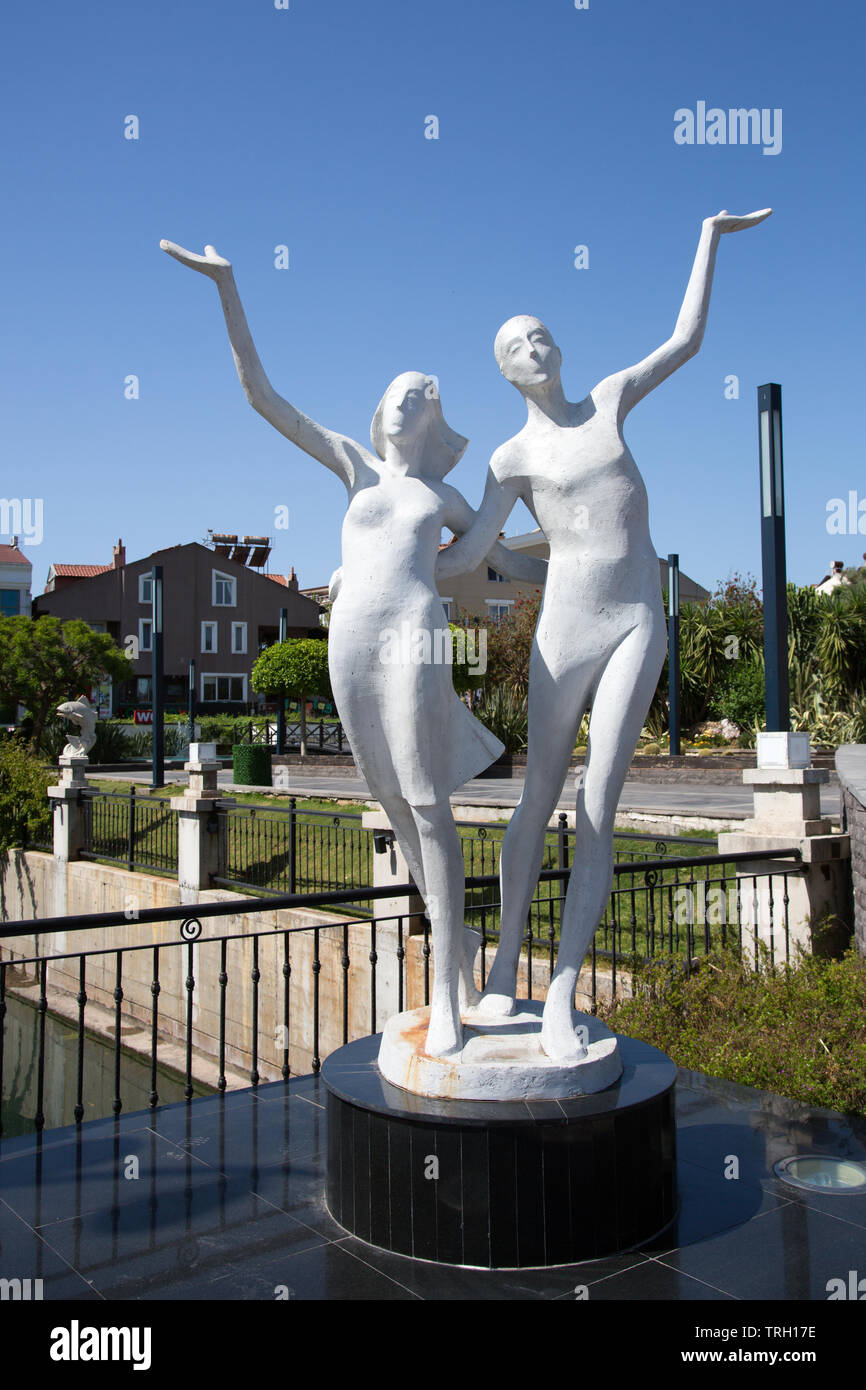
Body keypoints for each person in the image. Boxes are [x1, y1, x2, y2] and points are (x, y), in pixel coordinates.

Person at [160, 239, 547, 1058]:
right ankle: (459, 938)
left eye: (419, 394)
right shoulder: (354, 466)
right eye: (397, 393)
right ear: (380, 413)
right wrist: (229, 287)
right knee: (390, 800)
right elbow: (262, 396)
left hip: (413, 633)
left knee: (427, 797)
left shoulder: (438, 494)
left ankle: (446, 988)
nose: (405, 401)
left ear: (432, 415)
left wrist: (585, 557)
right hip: (349, 639)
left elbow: (490, 557)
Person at [436, 209, 772, 1061]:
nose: (536, 348)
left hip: (634, 621)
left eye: (542, 334)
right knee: (538, 794)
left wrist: (706, 235)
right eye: (518, 345)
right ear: (505, 372)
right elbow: (476, 553)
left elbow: (686, 338)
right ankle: (507, 959)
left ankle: (561, 992)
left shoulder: (612, 401)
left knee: (597, 807)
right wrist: (387, 544)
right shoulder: (508, 460)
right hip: (563, 627)